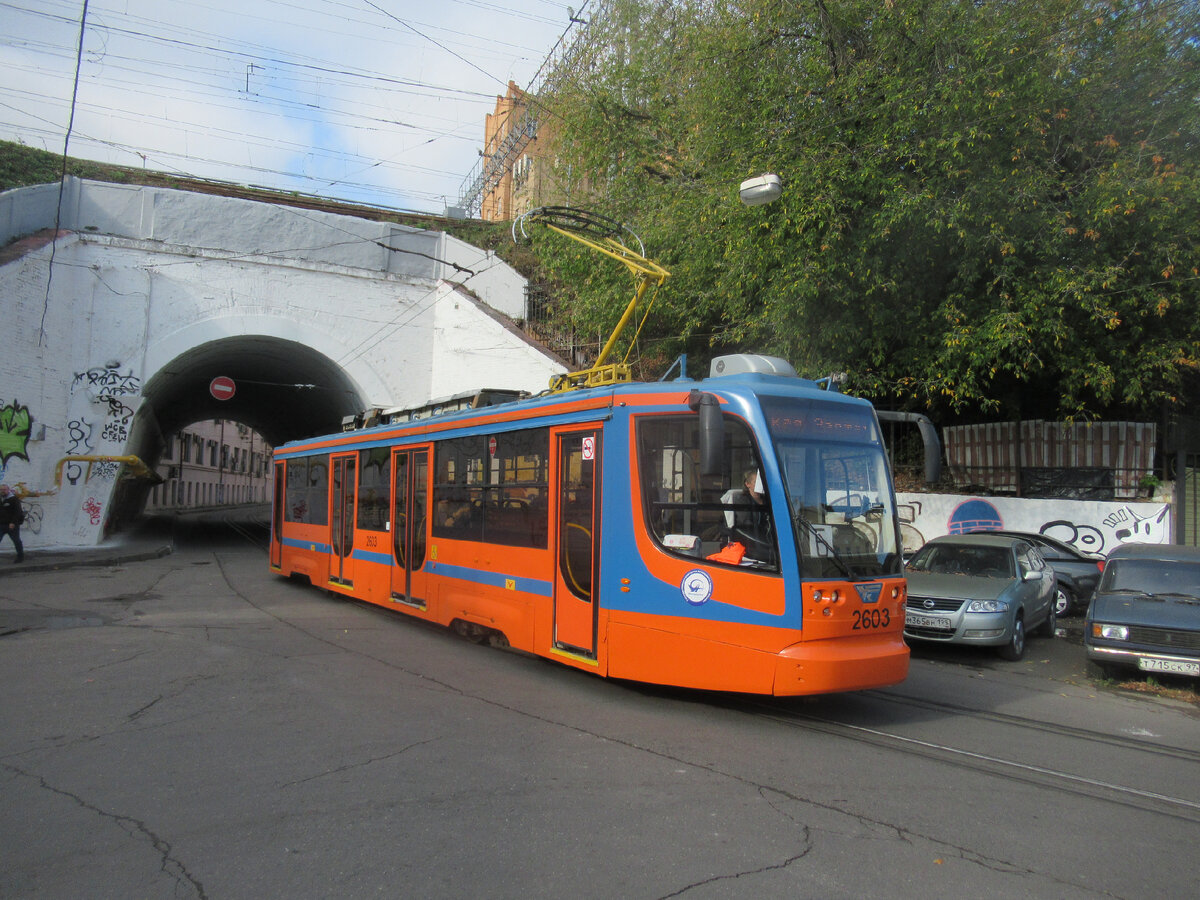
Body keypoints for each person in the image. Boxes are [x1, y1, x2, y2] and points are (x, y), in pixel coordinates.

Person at [0, 484, 25, 564]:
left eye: (4, 489)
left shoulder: (14, 499)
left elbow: (17, 512)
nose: (2, 491)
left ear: (8, 490)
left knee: (16, 541)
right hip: (1, 524)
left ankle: (20, 556)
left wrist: (13, 522)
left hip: (12, 525)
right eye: (1, 489)